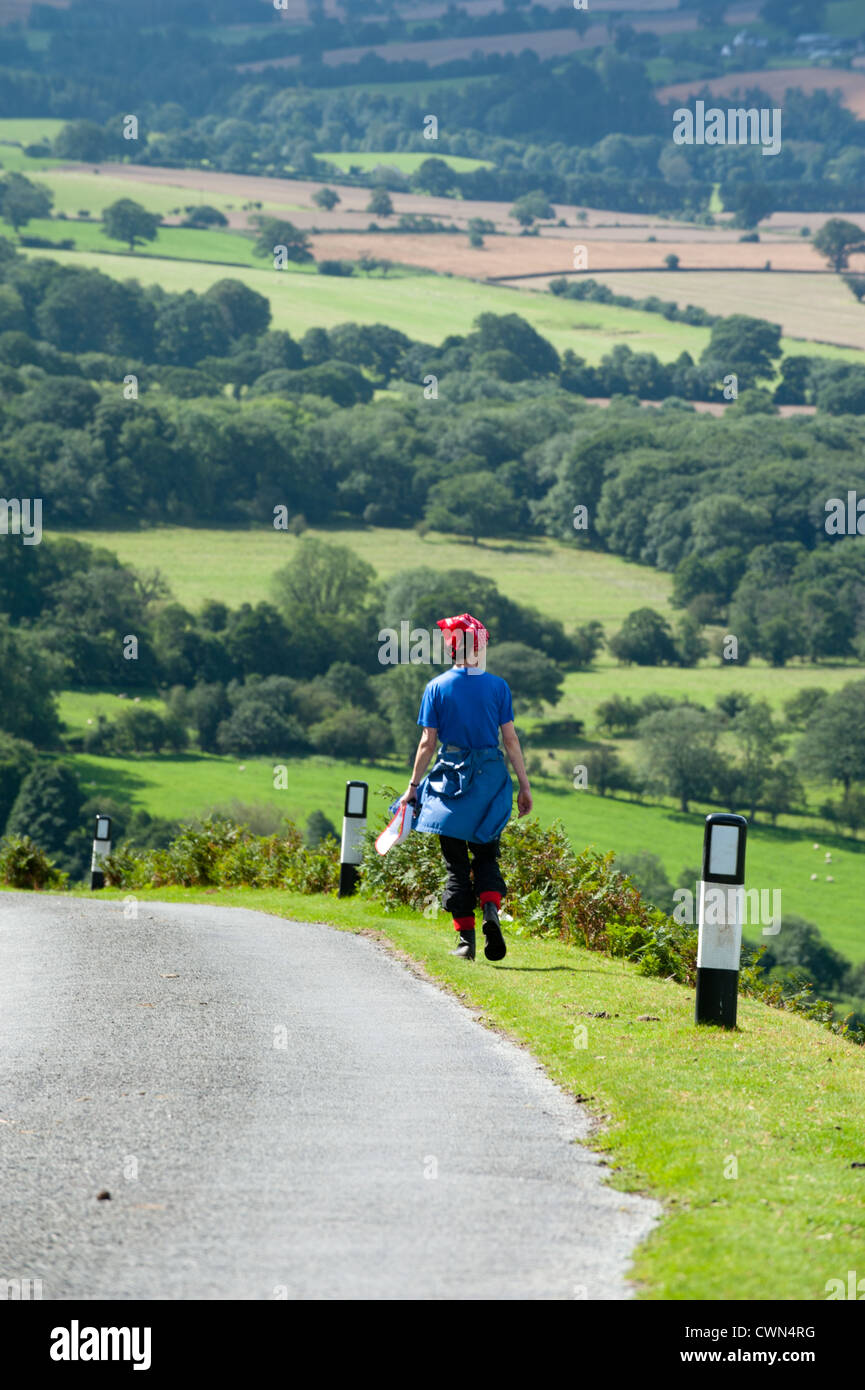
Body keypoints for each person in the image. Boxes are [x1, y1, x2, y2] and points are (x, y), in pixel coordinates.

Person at [397, 613, 532, 962]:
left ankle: (466, 943)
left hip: (451, 785)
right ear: (480, 647)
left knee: (456, 865)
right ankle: (490, 909)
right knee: (486, 855)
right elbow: (511, 740)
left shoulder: (437, 687)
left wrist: (413, 786)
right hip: (490, 782)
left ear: (453, 648)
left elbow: (427, 743)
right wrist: (524, 786)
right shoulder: (498, 687)